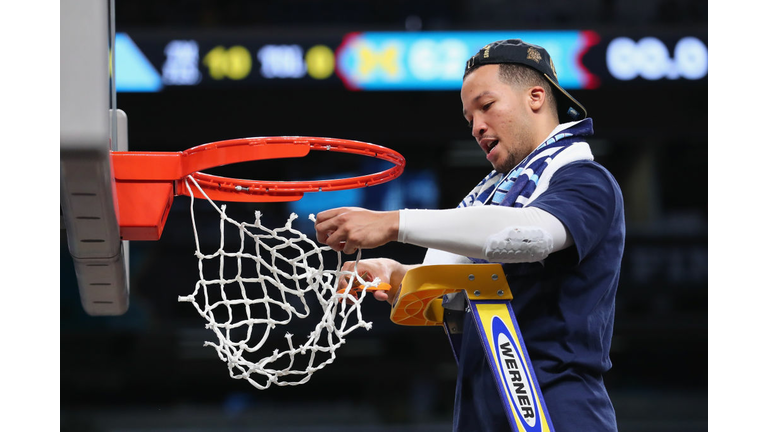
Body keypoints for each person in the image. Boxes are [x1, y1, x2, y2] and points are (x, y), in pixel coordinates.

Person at [315, 39, 624, 432]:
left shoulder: (586, 179)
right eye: (469, 118)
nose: (476, 126)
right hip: (482, 411)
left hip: (556, 410)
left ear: (535, 97)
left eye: (487, 105)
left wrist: (394, 223)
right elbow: (457, 288)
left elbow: (530, 236)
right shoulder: (493, 192)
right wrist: (396, 275)